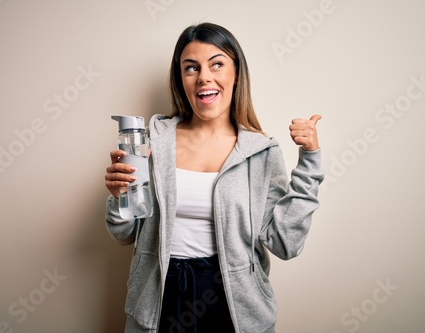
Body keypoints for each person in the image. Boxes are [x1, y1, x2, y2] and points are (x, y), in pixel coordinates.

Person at [105, 22, 324, 333]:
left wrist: (310, 161)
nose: (204, 77)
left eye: (216, 64)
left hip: (232, 303)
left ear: (236, 74)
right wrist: (119, 195)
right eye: (191, 68)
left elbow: (284, 243)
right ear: (181, 80)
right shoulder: (152, 141)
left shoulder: (260, 152)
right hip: (159, 297)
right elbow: (123, 233)